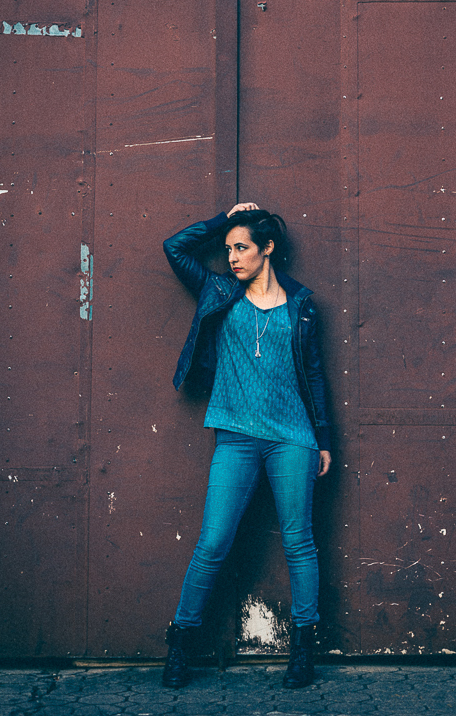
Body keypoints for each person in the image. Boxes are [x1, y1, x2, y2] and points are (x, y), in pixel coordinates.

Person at [161, 203, 332, 689]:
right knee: (213, 542)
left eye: (242, 248)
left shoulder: (302, 305)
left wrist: (322, 439)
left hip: (292, 438)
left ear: (267, 248)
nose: (232, 257)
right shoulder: (218, 290)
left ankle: (303, 649)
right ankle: (180, 644)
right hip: (235, 435)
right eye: (228, 249)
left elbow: (314, 374)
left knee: (298, 542)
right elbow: (174, 248)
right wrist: (223, 219)